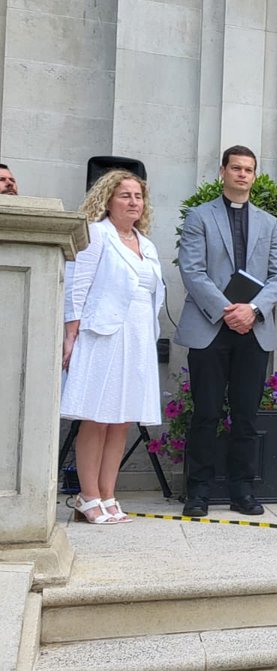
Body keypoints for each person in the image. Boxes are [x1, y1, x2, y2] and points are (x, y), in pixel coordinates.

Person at [175, 146, 277, 518]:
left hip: (252, 328)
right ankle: (198, 492)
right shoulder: (199, 216)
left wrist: (251, 310)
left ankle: (243, 491)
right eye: (236, 168)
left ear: (254, 176)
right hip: (211, 326)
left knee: (246, 415)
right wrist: (227, 310)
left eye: (248, 169)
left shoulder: (269, 223)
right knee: (206, 413)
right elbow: (192, 271)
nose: (242, 174)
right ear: (222, 171)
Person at [60, 170, 165, 523]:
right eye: (125, 195)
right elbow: (77, 285)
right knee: (97, 417)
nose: (134, 202)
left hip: (137, 337)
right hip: (102, 334)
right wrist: (70, 334)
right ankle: (87, 496)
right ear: (108, 200)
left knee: (121, 420)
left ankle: (108, 494)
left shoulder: (146, 244)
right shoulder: (97, 234)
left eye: (138, 196)